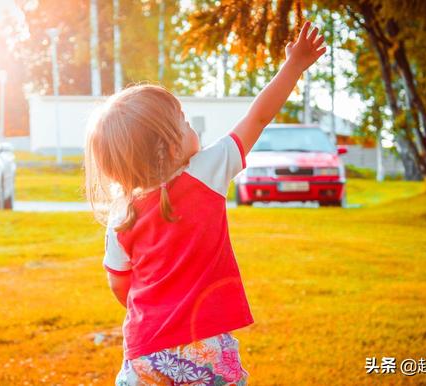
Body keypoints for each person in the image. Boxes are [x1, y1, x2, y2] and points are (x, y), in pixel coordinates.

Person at [85, 21, 325, 385]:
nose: (191, 125)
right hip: (205, 346)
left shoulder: (122, 215)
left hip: (145, 351)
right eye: (183, 122)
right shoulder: (206, 172)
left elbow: (119, 285)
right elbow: (258, 117)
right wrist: (293, 66)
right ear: (169, 145)